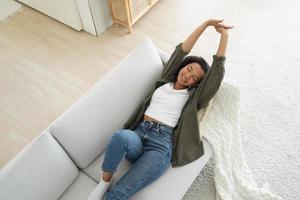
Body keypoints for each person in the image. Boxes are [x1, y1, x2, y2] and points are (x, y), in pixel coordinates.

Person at [88, 19, 234, 200]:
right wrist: (205, 25)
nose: (188, 76)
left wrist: (224, 36)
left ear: (196, 84)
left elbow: (216, 73)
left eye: (194, 78)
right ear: (183, 66)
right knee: (120, 136)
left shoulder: (192, 98)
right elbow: (182, 50)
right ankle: (104, 183)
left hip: (160, 145)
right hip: (140, 133)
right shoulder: (166, 79)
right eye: (188, 69)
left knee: (120, 193)